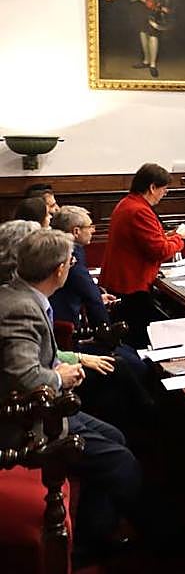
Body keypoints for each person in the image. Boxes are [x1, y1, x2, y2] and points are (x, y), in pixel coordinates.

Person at [0, 229, 141, 564]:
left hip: (47, 408)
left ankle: (93, 534)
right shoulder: (21, 308)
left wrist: (71, 362)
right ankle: (158, 534)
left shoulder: (21, 295)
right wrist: (59, 377)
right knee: (122, 462)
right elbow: (24, 377)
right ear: (60, 269)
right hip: (27, 425)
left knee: (115, 435)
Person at [50, 206, 155, 434]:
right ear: (76, 231)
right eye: (90, 226)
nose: (94, 230)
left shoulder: (67, 251)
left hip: (73, 333)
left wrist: (97, 296)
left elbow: (87, 291)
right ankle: (145, 419)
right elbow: (89, 297)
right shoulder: (71, 254)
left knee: (130, 356)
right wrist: (107, 332)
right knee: (130, 361)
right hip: (70, 338)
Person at [98, 163, 185, 347]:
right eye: (164, 189)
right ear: (152, 187)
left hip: (124, 280)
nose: (164, 194)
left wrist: (171, 236)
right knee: (141, 337)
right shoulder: (140, 211)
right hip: (131, 284)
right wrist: (180, 238)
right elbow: (160, 251)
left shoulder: (128, 203)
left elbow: (146, 241)